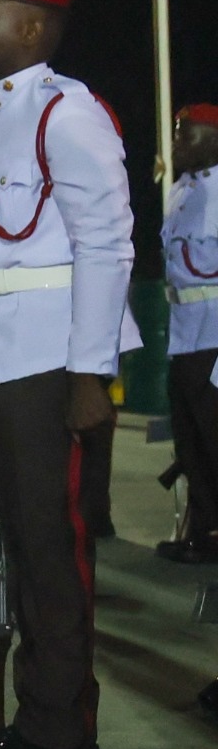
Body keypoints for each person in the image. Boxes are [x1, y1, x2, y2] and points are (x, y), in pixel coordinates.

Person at [0, 0, 133, 749]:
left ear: (29, 30)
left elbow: (107, 244)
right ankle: (38, 713)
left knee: (54, 550)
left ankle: (60, 732)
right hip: (1, 351)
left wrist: (91, 372)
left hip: (53, 360)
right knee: (21, 545)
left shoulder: (67, 111)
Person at [162, 103, 218, 562]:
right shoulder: (181, 191)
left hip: (215, 337)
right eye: (178, 134)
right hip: (184, 335)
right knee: (192, 442)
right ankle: (202, 533)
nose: (177, 143)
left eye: (187, 136)